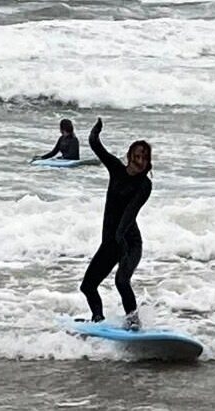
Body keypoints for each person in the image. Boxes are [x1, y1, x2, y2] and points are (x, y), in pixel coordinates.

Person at [79, 117, 152, 330]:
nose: (140, 161)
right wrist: (95, 134)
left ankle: (133, 324)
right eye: (137, 156)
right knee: (88, 286)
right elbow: (97, 148)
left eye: (144, 158)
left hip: (130, 242)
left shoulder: (144, 185)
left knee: (121, 281)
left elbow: (129, 214)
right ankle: (98, 320)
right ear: (129, 156)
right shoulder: (116, 169)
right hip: (112, 242)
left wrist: (121, 242)